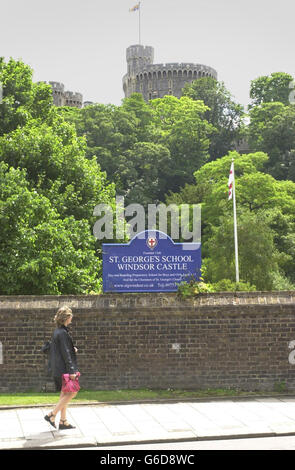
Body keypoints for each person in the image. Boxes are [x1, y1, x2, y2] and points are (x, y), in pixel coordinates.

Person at [44, 306, 79, 430]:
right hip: (64, 369)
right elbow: (65, 353)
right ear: (67, 317)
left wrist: (72, 349)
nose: (71, 318)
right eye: (70, 316)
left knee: (65, 393)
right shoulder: (63, 333)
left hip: (57, 368)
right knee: (73, 392)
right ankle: (52, 414)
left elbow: (61, 350)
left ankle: (63, 421)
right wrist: (72, 371)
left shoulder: (57, 331)